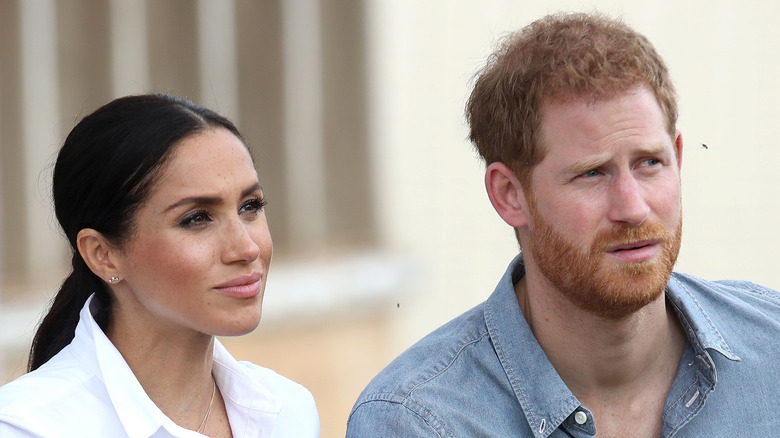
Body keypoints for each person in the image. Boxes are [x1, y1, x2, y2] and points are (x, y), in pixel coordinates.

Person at [347, 12, 780, 437]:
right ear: (509, 195)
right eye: (592, 173)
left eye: (650, 163)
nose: (632, 207)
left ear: (679, 158)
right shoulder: (418, 422)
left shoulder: (772, 350)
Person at [0, 94, 320, 437]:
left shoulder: (287, 412)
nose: (246, 247)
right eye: (197, 218)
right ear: (102, 253)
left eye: (250, 206)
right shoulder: (28, 427)